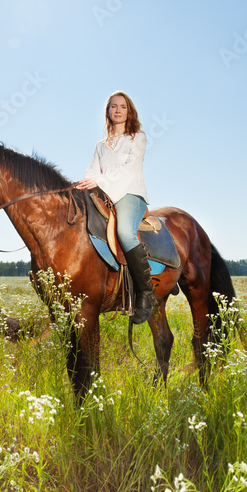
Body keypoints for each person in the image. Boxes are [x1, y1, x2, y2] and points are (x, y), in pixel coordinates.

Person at [74, 91, 155, 324]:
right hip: (105, 193)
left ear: (129, 111)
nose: (118, 110)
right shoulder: (101, 145)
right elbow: (92, 171)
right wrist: (85, 182)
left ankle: (145, 294)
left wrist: (99, 181)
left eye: (123, 107)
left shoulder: (137, 137)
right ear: (108, 112)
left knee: (124, 233)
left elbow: (130, 169)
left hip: (129, 192)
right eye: (113, 107)